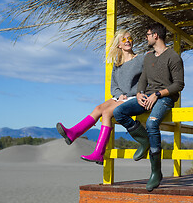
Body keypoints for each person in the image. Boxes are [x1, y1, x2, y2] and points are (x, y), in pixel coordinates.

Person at [113, 22, 184, 191]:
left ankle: (155, 172)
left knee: (152, 123)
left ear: (155, 36)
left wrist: (158, 94)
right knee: (119, 111)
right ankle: (143, 140)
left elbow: (179, 85)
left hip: (164, 98)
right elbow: (143, 78)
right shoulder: (149, 57)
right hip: (146, 96)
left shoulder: (174, 57)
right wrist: (139, 93)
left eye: (148, 34)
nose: (146, 37)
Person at [56, 29, 144, 165]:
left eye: (129, 38)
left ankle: (99, 153)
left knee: (107, 113)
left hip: (133, 98)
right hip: (120, 97)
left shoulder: (140, 59)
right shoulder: (118, 64)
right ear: (119, 45)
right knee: (98, 108)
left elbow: (147, 77)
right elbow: (113, 86)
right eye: (124, 39)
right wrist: (119, 95)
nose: (128, 41)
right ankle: (73, 133)